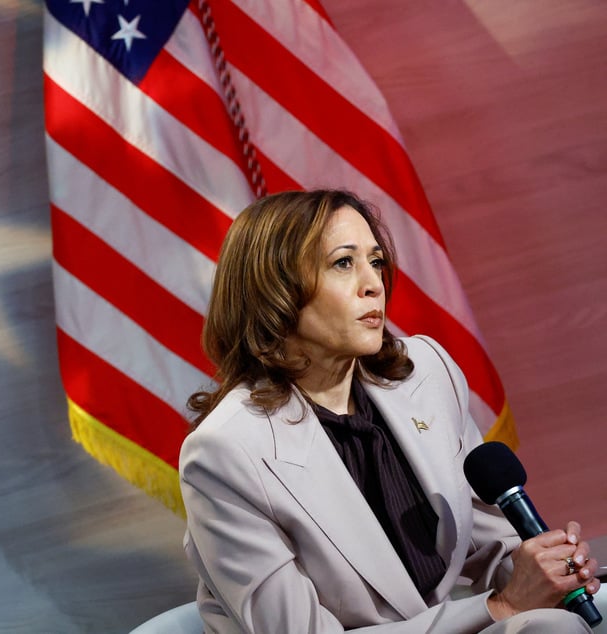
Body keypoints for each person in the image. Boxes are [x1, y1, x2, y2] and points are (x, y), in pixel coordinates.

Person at [179, 190, 600, 633]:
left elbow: (487, 543)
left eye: (375, 261)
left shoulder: (426, 373)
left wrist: (543, 572)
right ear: (276, 291)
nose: (374, 283)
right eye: (344, 263)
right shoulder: (225, 453)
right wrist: (499, 609)